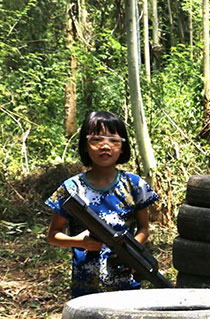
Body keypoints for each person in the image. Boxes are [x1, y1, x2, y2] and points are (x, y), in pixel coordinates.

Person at [46, 111, 159, 299]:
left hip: (126, 285)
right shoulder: (71, 188)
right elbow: (53, 235)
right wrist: (78, 242)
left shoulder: (135, 185)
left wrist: (130, 251)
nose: (105, 146)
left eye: (113, 140)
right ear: (85, 145)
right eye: (97, 139)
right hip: (86, 287)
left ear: (122, 147)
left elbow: (144, 228)